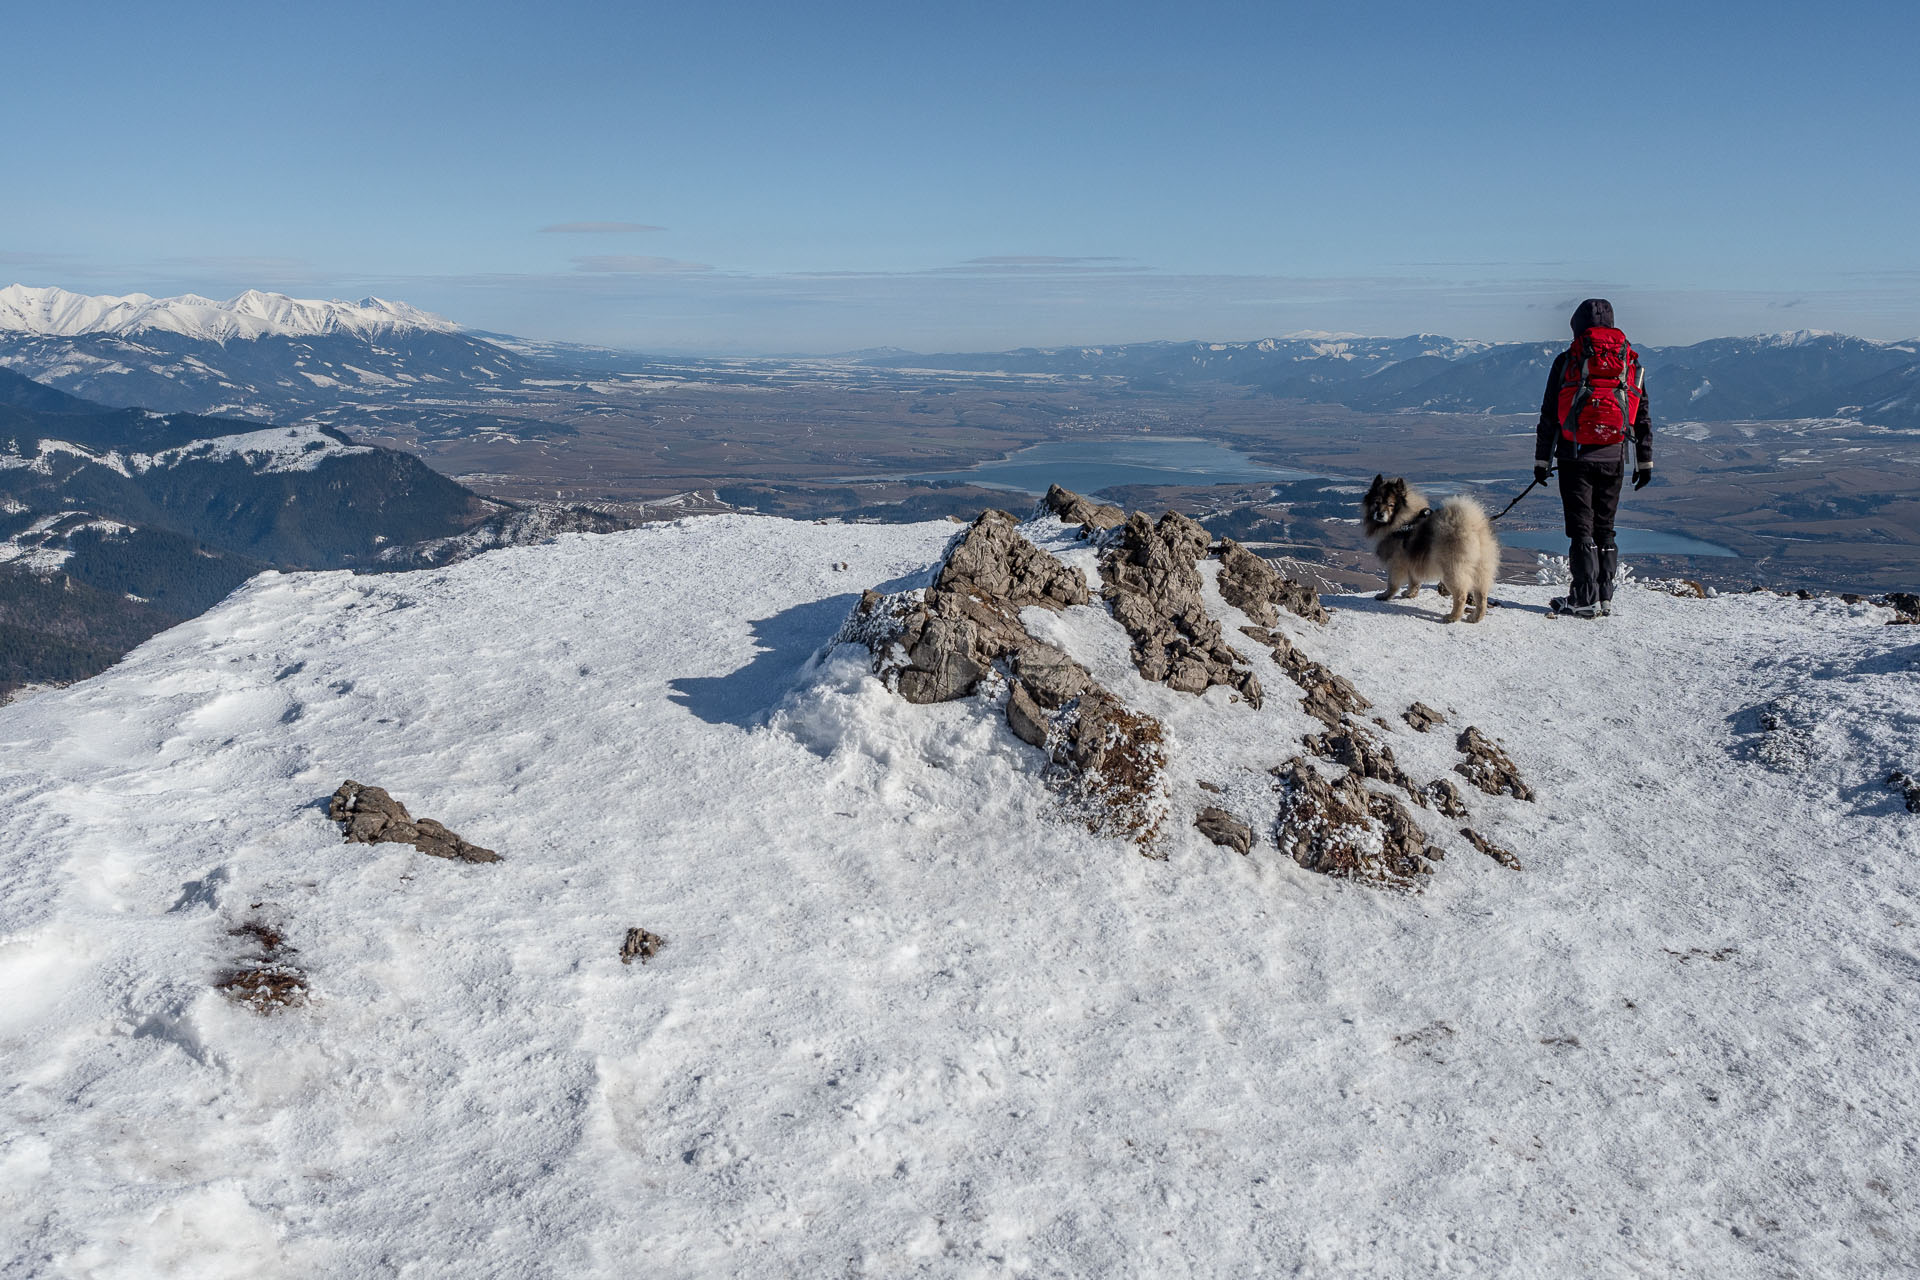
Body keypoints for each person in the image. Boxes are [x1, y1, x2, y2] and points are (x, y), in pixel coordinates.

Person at [1534, 298, 1653, 618]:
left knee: (1580, 529)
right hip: (1615, 456)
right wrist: (1644, 462)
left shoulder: (1566, 361)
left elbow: (1549, 415)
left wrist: (1541, 460)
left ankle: (1583, 597)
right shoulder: (1630, 361)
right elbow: (1641, 414)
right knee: (1606, 528)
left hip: (1575, 456)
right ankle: (1605, 597)